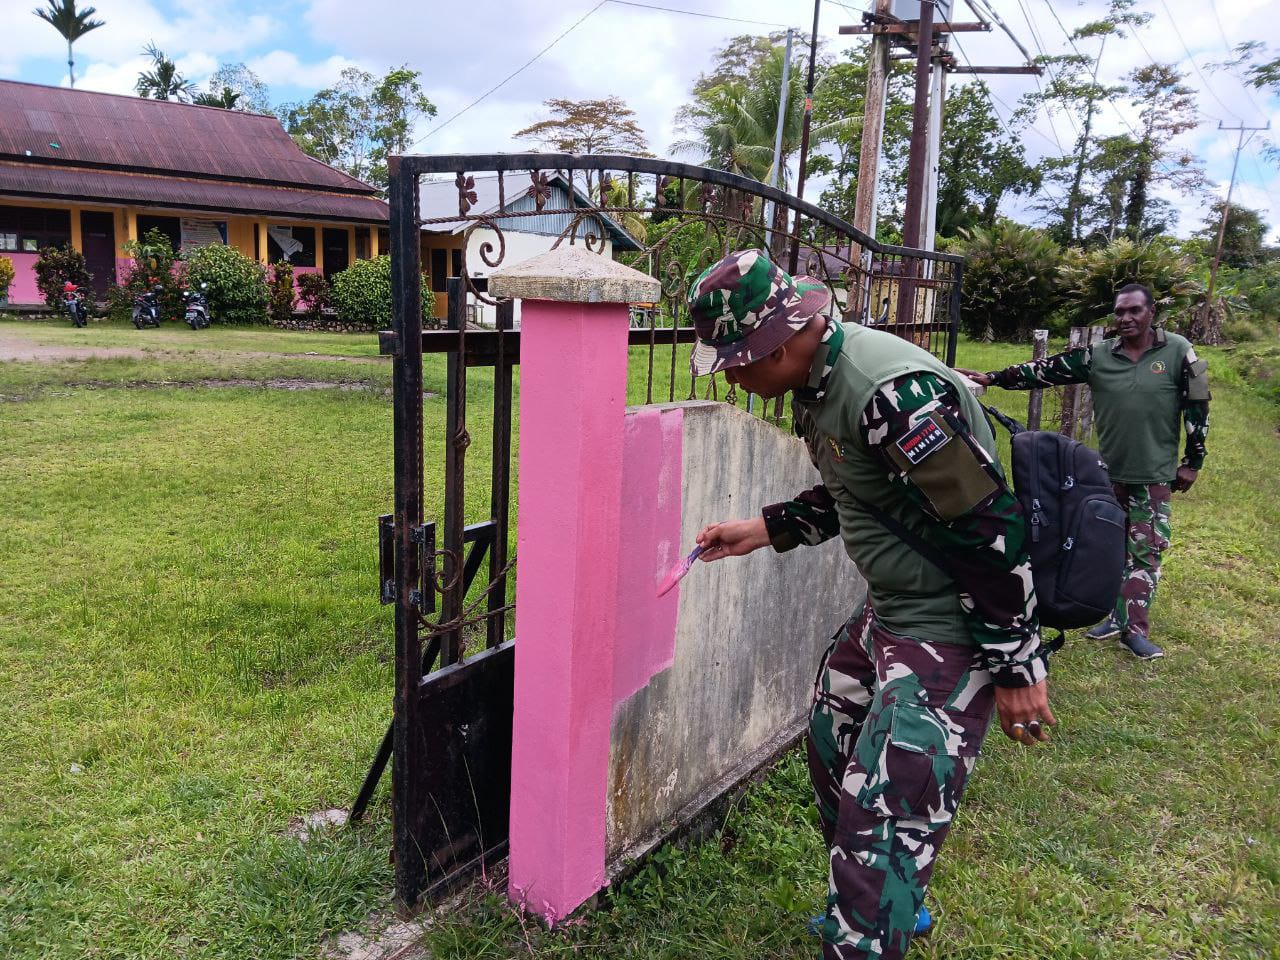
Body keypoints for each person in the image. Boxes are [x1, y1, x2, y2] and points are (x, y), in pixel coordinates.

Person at [687, 250, 1053, 960]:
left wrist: (1016, 665)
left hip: (951, 621)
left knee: (880, 816)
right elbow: (863, 491)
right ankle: (884, 895)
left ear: (786, 337)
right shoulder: (819, 384)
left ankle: (872, 906)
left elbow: (990, 528)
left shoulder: (893, 395)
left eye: (739, 357)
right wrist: (764, 530)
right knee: (833, 738)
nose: (732, 373)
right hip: (891, 611)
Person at [960, 283, 1210, 661]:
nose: (1126, 319)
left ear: (1151, 312)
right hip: (1106, 476)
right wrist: (993, 378)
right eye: (1120, 312)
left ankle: (1133, 630)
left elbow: (1198, 406)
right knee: (1104, 545)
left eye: (1134, 311)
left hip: (1153, 475)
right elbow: (1047, 370)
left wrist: (1192, 462)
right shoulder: (1100, 356)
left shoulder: (1177, 351)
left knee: (1146, 552)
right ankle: (1110, 613)